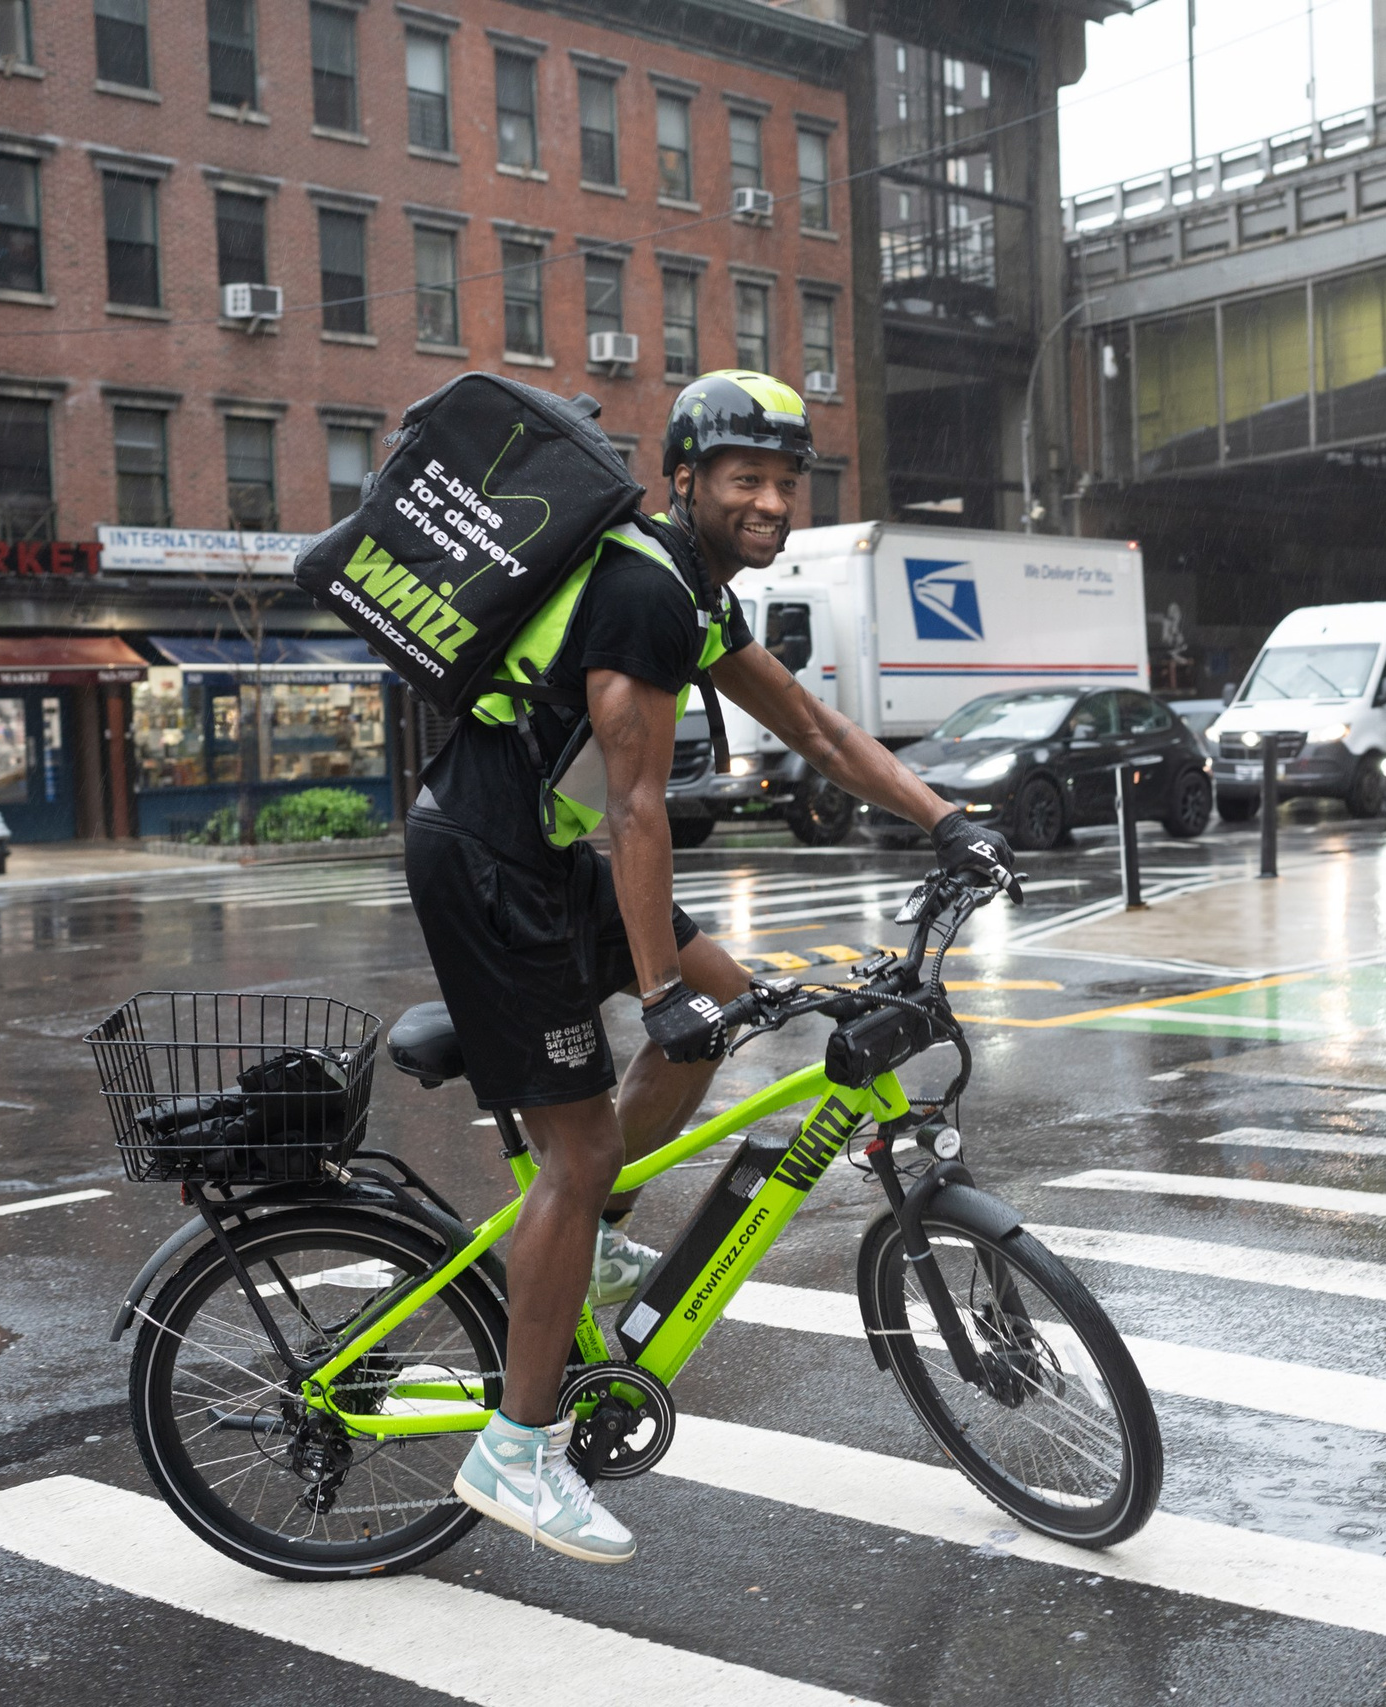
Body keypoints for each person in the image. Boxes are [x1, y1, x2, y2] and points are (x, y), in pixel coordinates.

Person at [403, 369, 1012, 1563]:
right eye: (746, 480)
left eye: (787, 482)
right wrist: (654, 989)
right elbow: (636, 806)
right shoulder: (640, 588)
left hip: (548, 845)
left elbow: (819, 730)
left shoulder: (692, 589)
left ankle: (593, 1231)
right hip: (492, 863)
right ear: (685, 479)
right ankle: (514, 1452)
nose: (772, 501)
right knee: (577, 1151)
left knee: (734, 1005)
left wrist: (945, 822)